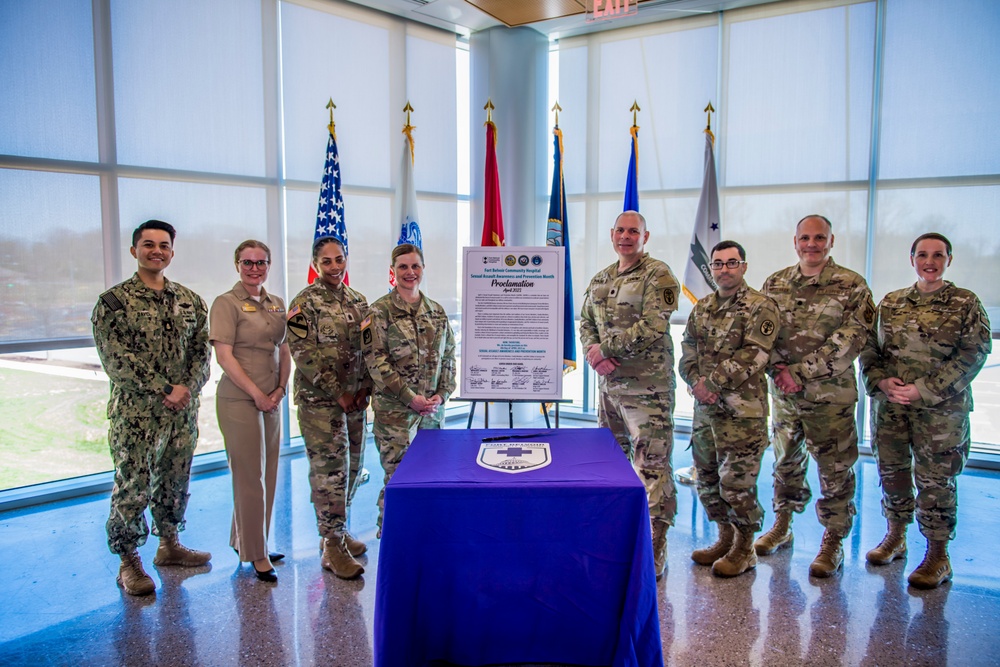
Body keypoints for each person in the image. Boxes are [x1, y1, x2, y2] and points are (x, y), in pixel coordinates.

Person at [859, 232, 991, 589]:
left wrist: (925, 389)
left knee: (936, 481)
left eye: (937, 255)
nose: (929, 261)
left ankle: (937, 554)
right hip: (892, 409)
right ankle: (896, 536)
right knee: (893, 473)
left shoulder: (965, 302)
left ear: (949, 259)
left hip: (941, 414)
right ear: (912, 258)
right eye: (922, 255)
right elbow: (869, 349)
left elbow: (973, 353)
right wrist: (883, 382)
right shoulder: (892, 303)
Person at [91, 219, 212, 596]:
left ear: (172, 253)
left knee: (175, 481)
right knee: (133, 487)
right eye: (148, 244)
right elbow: (117, 360)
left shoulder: (191, 301)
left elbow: (201, 353)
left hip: (180, 414)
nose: (156, 251)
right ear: (134, 251)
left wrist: (186, 388)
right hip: (137, 416)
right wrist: (164, 388)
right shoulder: (113, 303)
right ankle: (128, 561)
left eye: (163, 245)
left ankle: (169, 544)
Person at [755, 214, 876, 577]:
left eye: (819, 238)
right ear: (795, 242)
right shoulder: (775, 282)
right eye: (805, 238)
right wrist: (779, 370)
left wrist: (799, 372)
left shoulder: (852, 285)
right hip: (785, 397)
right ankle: (782, 525)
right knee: (785, 463)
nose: (812, 244)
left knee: (835, 470)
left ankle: (833, 540)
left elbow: (852, 338)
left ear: (831, 241)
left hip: (830, 398)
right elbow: (762, 333)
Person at [579, 210, 680, 579]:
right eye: (620, 230)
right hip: (610, 389)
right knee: (613, 464)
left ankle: (656, 544)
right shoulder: (602, 277)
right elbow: (585, 319)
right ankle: (620, 535)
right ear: (612, 234)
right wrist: (595, 352)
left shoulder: (659, 275)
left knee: (651, 467)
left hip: (647, 389)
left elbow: (654, 325)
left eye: (633, 231)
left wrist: (606, 349)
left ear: (645, 236)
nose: (626, 236)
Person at [679, 240, 780, 577]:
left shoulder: (760, 306)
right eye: (718, 264)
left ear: (744, 267)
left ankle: (744, 547)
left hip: (742, 414)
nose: (724, 269)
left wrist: (713, 383)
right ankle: (725, 537)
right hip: (705, 412)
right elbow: (688, 346)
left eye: (731, 262)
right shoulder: (703, 307)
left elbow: (755, 353)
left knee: (736, 484)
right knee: (707, 480)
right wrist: (695, 380)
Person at [287, 237, 371, 579]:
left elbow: (369, 348)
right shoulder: (302, 304)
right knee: (329, 473)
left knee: (353, 468)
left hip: (355, 404)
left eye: (339, 260)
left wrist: (365, 388)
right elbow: (303, 354)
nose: (335, 267)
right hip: (320, 404)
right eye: (327, 262)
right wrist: (338, 393)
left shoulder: (359, 301)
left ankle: (340, 527)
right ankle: (331, 545)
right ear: (315, 264)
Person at [209, 240, 290, 583]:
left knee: (269, 472)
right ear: (237, 264)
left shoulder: (277, 304)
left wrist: (280, 390)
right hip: (240, 399)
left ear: (269, 265)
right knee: (248, 477)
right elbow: (224, 357)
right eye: (247, 262)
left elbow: (285, 349)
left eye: (261, 262)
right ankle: (256, 555)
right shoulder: (226, 303)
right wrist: (258, 394)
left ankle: (250, 540)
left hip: (271, 400)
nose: (254, 268)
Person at [362, 243, 456, 536]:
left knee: (431, 474)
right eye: (403, 267)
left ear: (423, 269)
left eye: (415, 266)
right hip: (395, 415)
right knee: (398, 476)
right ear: (393, 271)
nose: (410, 272)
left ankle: (425, 534)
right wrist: (409, 398)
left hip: (431, 413)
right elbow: (376, 361)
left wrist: (443, 394)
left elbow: (450, 356)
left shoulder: (436, 312)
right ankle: (391, 534)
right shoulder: (378, 312)